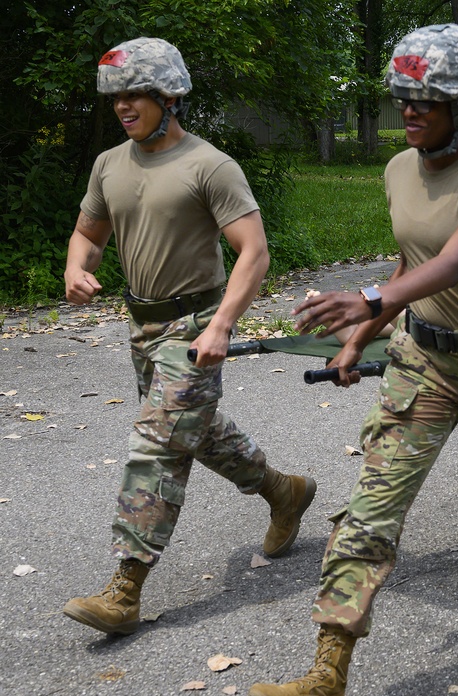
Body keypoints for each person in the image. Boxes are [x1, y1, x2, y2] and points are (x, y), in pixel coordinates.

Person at [247, 24, 458, 696]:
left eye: (428, 99)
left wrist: (364, 303)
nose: (410, 110)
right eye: (404, 96)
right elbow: (409, 266)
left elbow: (456, 261)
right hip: (423, 357)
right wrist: (357, 339)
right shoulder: (400, 168)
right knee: (370, 508)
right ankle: (326, 676)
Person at [61, 38, 317, 636]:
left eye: (136, 96)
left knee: (159, 443)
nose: (124, 107)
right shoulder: (109, 164)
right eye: (117, 98)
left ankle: (126, 586)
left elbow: (254, 253)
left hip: (196, 321)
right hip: (141, 323)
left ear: (169, 96)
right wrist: (78, 267)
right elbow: (88, 235)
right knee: (192, 430)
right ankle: (283, 490)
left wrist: (224, 324)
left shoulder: (210, 165)